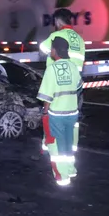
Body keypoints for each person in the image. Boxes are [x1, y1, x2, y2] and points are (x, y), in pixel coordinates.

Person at [37, 37, 83, 186]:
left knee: (56, 147)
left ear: (55, 50)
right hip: (72, 112)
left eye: (51, 48)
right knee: (69, 143)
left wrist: (45, 112)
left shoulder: (51, 69)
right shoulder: (73, 66)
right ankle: (71, 169)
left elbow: (46, 95)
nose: (50, 51)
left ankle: (63, 177)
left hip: (57, 113)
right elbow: (77, 87)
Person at [38, 8, 86, 150]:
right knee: (72, 115)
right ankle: (71, 146)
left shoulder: (58, 35)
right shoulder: (79, 39)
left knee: (53, 115)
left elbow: (42, 47)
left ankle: (50, 146)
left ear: (58, 21)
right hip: (75, 85)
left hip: (59, 83)